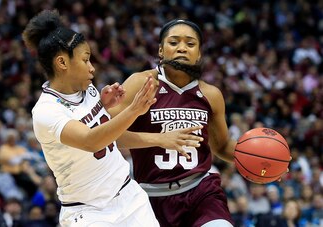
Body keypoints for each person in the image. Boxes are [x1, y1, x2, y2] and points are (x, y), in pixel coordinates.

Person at [22, 10, 202, 227]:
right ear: (62, 63)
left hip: (129, 196)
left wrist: (102, 107)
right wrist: (133, 110)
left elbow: (111, 137)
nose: (92, 67)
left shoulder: (88, 91)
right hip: (88, 213)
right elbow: (91, 141)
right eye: (86, 59)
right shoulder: (46, 111)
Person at [109, 19, 236, 227]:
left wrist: (264, 162)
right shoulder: (141, 83)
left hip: (201, 191)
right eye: (174, 42)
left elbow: (222, 146)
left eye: (190, 44)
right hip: (149, 196)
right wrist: (160, 139)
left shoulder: (210, 94)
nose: (182, 48)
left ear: (199, 54)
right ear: (161, 50)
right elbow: (105, 136)